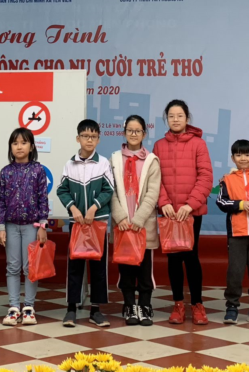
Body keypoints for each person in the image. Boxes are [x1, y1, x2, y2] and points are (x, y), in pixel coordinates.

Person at [153, 99, 213, 326]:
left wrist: (190, 205)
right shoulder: (159, 145)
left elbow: (205, 176)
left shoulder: (199, 144)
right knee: (173, 258)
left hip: (190, 213)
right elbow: (154, 179)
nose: (175, 119)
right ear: (166, 119)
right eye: (171, 116)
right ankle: (178, 304)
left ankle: (197, 304)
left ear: (187, 118)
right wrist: (163, 202)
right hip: (169, 212)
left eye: (180, 116)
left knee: (191, 257)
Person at [57, 118, 114, 328]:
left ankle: (96, 310)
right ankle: (71, 309)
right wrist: (73, 208)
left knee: (98, 267)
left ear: (98, 139)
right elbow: (61, 190)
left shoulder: (103, 163)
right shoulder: (69, 164)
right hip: (77, 223)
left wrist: (94, 208)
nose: (89, 140)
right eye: (85, 136)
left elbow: (109, 189)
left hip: (97, 223)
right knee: (75, 266)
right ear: (78, 138)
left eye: (93, 136)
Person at [109, 114, 161, 326]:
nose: (133, 134)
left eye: (137, 131)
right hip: (122, 224)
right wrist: (120, 216)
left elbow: (153, 193)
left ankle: (145, 305)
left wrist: (139, 219)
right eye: (130, 130)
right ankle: (129, 305)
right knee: (126, 270)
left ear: (144, 134)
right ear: (124, 133)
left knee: (145, 270)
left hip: (143, 225)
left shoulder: (151, 160)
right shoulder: (114, 159)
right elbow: (110, 190)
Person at [0, 127, 50, 326]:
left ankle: (28, 307)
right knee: (12, 267)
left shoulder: (38, 170)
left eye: (24, 143)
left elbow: (43, 199)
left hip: (31, 226)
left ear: (32, 147)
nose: (19, 147)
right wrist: (1, 227)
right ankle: (13, 307)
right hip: (11, 226)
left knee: (30, 268)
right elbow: (1, 202)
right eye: (15, 143)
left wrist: (42, 226)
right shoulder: (5, 172)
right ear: (10, 147)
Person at [216, 140, 249, 326]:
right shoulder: (227, 180)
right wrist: (240, 204)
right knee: (235, 272)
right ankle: (232, 307)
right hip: (236, 233)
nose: (243, 158)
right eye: (238, 155)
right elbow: (221, 202)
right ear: (232, 158)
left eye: (247, 155)